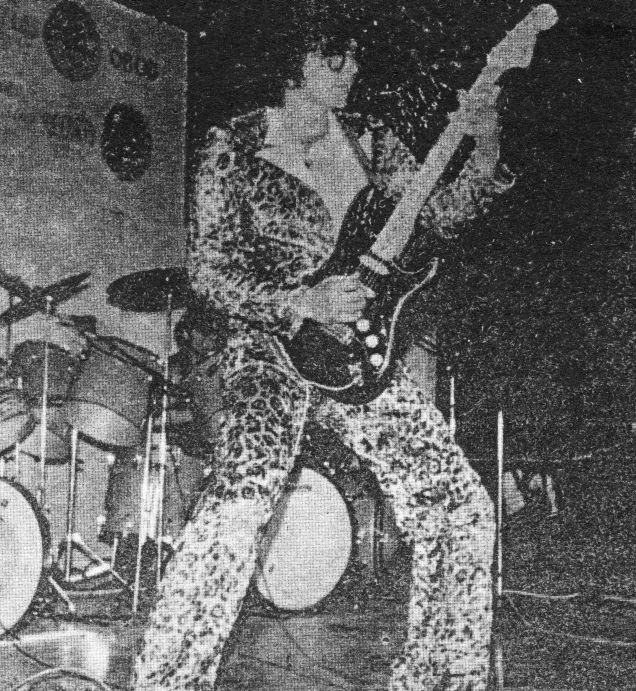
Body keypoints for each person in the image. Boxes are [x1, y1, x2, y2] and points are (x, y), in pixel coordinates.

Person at [133, 28, 515, 691]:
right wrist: (301, 301)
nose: (351, 67)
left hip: (358, 356)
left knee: (459, 504)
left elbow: (437, 216)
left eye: (356, 54)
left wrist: (485, 145)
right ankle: (167, 679)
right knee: (241, 499)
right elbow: (210, 274)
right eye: (333, 55)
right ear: (293, 61)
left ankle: (442, 676)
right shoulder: (235, 147)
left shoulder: (369, 139)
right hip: (269, 348)